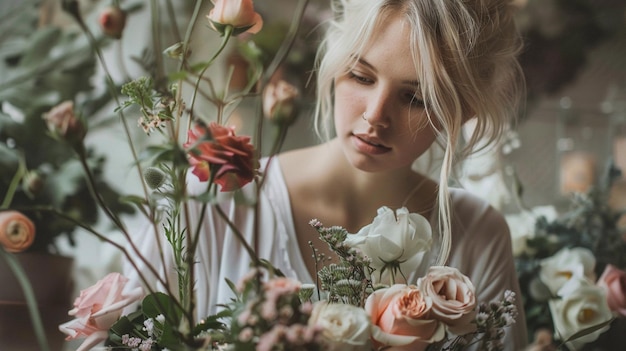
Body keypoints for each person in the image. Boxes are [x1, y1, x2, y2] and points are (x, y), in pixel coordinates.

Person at [125, 0, 528, 349]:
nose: (375, 115)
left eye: (415, 97)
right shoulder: (213, 201)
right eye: (361, 76)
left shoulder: (477, 234)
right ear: (335, 64)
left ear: (466, 110)